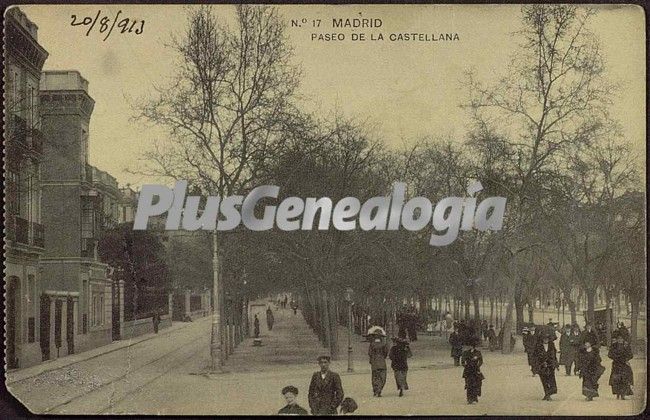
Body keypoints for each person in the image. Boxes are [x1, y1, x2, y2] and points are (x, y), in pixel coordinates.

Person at [608, 331, 634, 400]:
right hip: (616, 364)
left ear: (623, 339)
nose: (620, 340)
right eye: (618, 338)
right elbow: (609, 354)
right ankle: (617, 393)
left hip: (624, 364)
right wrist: (615, 357)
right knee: (616, 380)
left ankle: (623, 394)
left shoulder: (626, 345)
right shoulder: (613, 345)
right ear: (617, 339)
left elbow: (631, 355)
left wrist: (626, 359)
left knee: (624, 379)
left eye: (621, 339)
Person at [534, 333, 559, 401]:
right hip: (541, 365)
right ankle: (547, 394)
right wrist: (540, 363)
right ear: (542, 339)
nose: (546, 340)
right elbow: (535, 356)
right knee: (544, 380)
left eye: (547, 339)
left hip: (550, 365)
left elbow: (554, 355)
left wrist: (556, 364)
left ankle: (548, 393)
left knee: (551, 380)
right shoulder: (538, 346)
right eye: (544, 339)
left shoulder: (551, 345)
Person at [461, 336, 484, 404]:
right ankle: (469, 399)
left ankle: (474, 398)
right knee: (468, 385)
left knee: (476, 384)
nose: (470, 347)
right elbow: (462, 361)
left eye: (471, 346)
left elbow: (481, 361)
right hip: (468, 371)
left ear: (474, 346)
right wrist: (466, 366)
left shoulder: (478, 352)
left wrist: (478, 366)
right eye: (469, 346)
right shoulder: (465, 353)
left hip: (475, 370)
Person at [368, 332, 390, 397]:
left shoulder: (372, 344)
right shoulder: (383, 344)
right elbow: (386, 352)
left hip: (374, 362)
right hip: (382, 362)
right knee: (382, 377)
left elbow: (369, 353)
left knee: (375, 377)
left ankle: (375, 390)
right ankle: (379, 389)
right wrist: (382, 357)